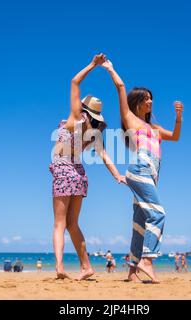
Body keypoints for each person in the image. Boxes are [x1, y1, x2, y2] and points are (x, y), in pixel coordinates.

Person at [103, 59, 183, 283]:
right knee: (158, 214)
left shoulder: (155, 129)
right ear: (137, 102)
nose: (150, 101)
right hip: (139, 170)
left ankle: (131, 273)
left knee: (139, 225)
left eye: (151, 98)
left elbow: (175, 137)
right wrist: (110, 68)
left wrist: (178, 117)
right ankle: (147, 260)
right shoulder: (131, 120)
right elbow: (120, 87)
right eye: (146, 98)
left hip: (150, 175)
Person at [49, 54, 126, 281]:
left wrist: (93, 65)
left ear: (84, 109)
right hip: (79, 175)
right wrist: (117, 175)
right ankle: (86, 266)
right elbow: (105, 157)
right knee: (73, 224)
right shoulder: (93, 134)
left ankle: (60, 266)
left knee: (59, 224)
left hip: (64, 172)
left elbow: (74, 82)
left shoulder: (74, 119)